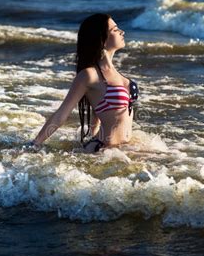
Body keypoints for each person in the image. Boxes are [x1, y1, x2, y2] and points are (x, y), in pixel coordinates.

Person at [25, 13, 139, 153]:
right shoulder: (89, 75)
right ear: (102, 40)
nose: (122, 31)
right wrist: (35, 143)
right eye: (115, 30)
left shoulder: (117, 73)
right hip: (103, 150)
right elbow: (61, 114)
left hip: (123, 149)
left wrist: (93, 131)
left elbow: (101, 108)